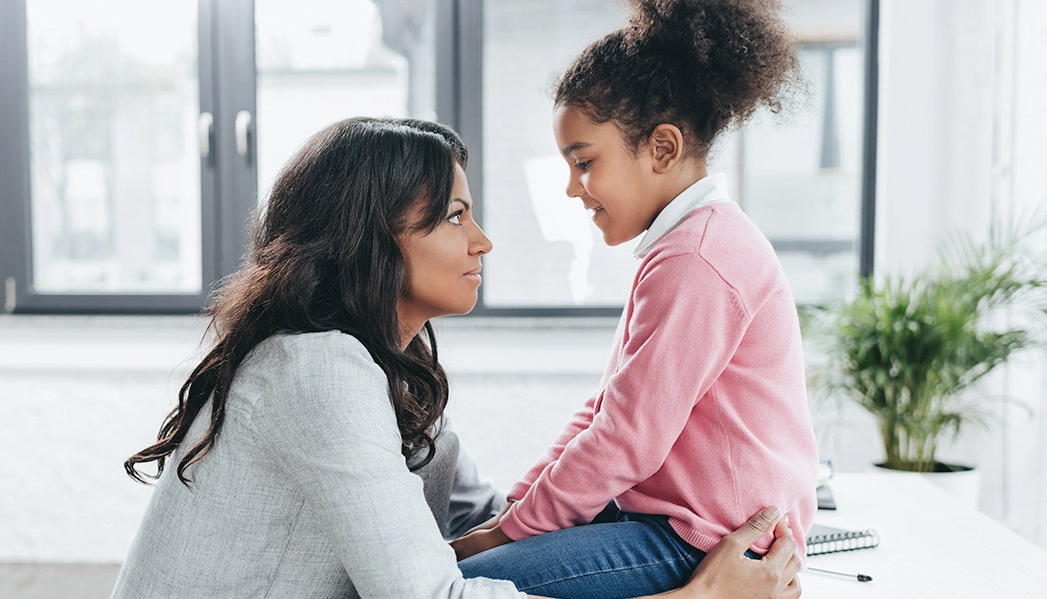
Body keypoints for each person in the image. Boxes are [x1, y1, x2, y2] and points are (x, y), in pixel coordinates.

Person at [110, 116, 801, 598]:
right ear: (369, 238)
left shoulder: (388, 384)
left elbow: (491, 527)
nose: (483, 241)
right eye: (452, 216)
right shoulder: (315, 371)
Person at [451, 0, 819, 596]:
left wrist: (505, 535)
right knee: (461, 570)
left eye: (585, 163)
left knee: (463, 583)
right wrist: (515, 512)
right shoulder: (687, 245)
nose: (573, 188)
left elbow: (626, 439)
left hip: (705, 539)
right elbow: (605, 410)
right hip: (669, 520)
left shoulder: (698, 258)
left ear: (663, 149)